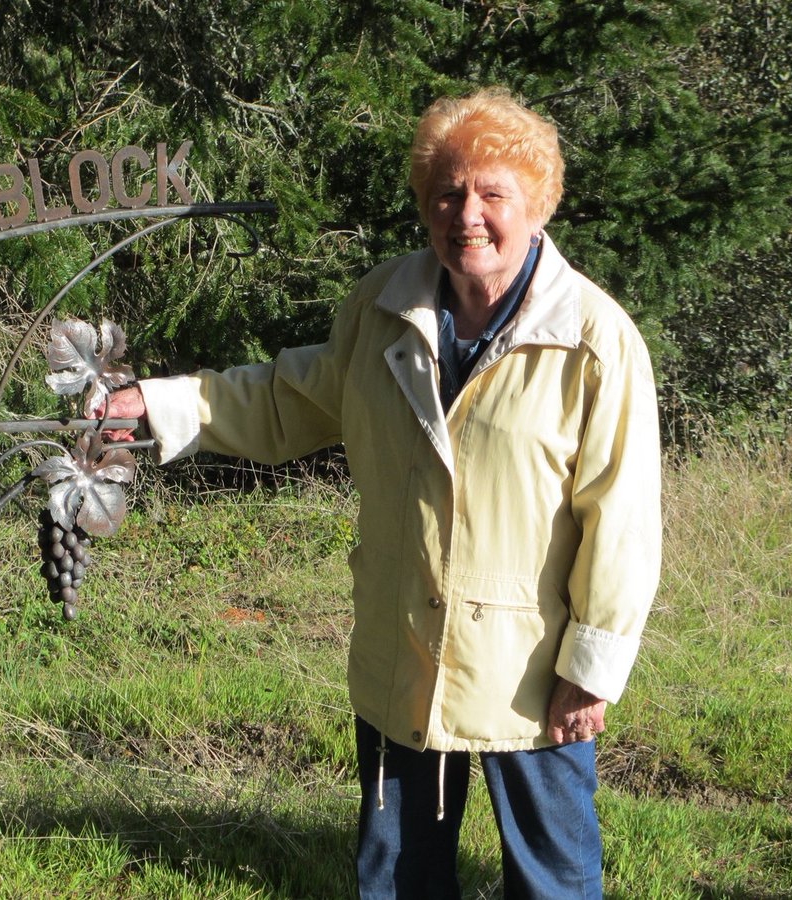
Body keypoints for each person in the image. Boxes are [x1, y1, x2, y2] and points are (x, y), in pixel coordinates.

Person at [103, 87, 661, 898]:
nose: (467, 214)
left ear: (536, 204)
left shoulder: (595, 339)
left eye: (492, 193)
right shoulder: (383, 304)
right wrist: (153, 404)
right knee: (396, 879)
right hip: (405, 652)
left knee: (553, 883)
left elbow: (623, 518)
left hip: (532, 678)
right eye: (448, 192)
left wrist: (592, 668)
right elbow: (293, 398)